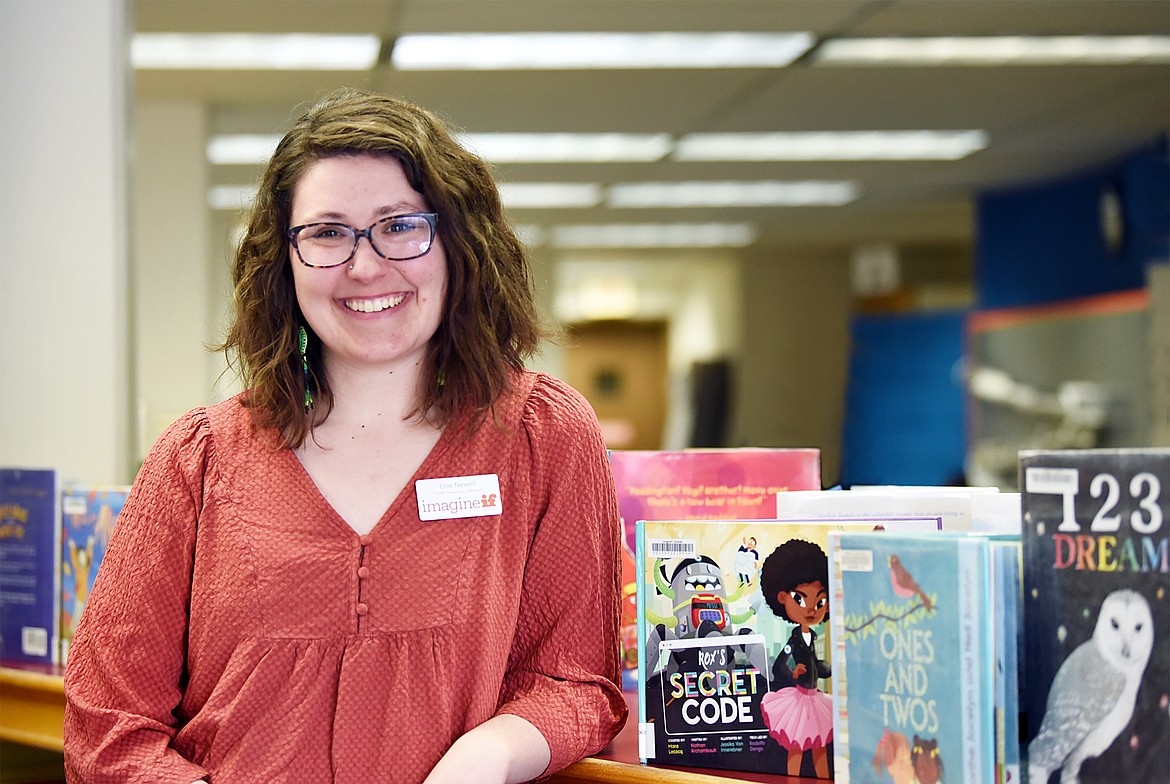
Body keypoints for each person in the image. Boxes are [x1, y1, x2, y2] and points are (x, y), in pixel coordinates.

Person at [62, 88, 627, 784]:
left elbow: (576, 682)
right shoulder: (197, 459)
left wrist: (488, 756)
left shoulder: (542, 436)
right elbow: (107, 728)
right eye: (328, 233)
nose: (365, 266)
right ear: (285, 261)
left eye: (400, 226)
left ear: (457, 243)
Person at [757, 538, 833, 778]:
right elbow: (780, 665)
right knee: (798, 746)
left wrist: (822, 667)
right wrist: (794, 672)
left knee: (820, 745)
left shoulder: (812, 639)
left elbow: (818, 665)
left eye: (819, 601)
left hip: (815, 698)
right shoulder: (793, 642)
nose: (811, 608)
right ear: (782, 598)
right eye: (801, 599)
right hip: (799, 700)